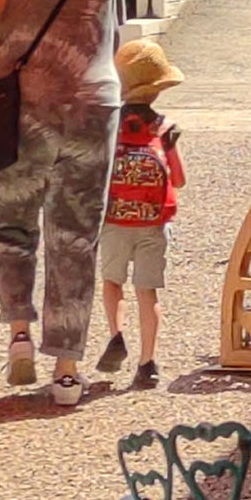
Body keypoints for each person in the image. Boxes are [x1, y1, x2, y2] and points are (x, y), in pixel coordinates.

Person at [0, 0, 125, 405]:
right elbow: (113, 45)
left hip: (20, 108)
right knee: (75, 237)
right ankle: (66, 368)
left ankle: (19, 335)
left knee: (13, 225)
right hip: (94, 109)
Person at [95, 40, 186, 389]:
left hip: (115, 219)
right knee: (148, 293)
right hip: (153, 221)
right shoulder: (165, 128)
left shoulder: (108, 124)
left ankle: (116, 335)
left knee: (112, 282)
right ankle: (148, 363)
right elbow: (178, 179)